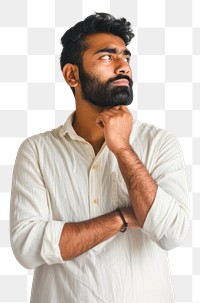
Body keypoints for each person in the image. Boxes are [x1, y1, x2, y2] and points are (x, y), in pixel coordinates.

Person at [10, 12, 189, 303]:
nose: (123, 67)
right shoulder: (37, 150)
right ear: (72, 74)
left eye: (126, 58)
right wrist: (121, 218)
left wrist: (122, 148)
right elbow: (27, 248)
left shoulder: (159, 144)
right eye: (107, 57)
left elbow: (171, 233)